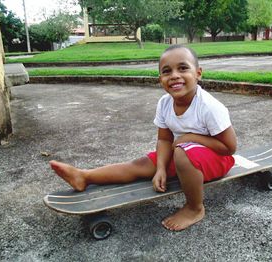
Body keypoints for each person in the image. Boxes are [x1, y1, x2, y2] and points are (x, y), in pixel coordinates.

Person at [49, 45, 237, 231]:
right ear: (160, 79)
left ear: (198, 73)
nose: (174, 75)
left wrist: (192, 137)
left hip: (218, 159)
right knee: (141, 164)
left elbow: (229, 148)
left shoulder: (209, 107)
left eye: (183, 68)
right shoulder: (165, 103)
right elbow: (164, 140)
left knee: (181, 153)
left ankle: (195, 208)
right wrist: (161, 169)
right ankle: (84, 176)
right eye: (166, 71)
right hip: (185, 155)